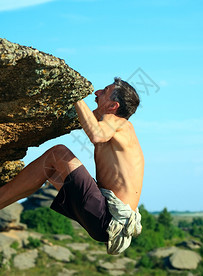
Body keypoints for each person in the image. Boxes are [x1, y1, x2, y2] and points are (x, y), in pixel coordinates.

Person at [0, 77, 144, 254]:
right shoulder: (112, 125)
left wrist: (75, 93)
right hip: (102, 218)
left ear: (113, 106)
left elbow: (96, 135)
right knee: (52, 172)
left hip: (107, 218)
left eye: (104, 91)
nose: (96, 93)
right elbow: (87, 119)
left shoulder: (120, 124)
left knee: (58, 154)